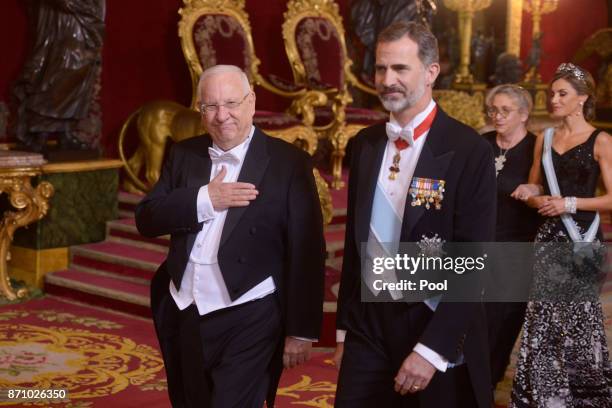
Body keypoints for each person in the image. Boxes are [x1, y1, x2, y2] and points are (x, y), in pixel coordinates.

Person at [135, 65, 326, 408]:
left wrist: (301, 330)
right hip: (186, 308)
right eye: (210, 107)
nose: (222, 116)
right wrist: (205, 199)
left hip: (249, 311)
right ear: (199, 109)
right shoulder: (184, 154)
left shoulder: (289, 163)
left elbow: (308, 251)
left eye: (231, 103)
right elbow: (147, 219)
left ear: (251, 101)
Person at [334, 21, 496, 407]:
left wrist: (431, 349)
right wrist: (344, 331)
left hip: (430, 321)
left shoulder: (469, 150)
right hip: (367, 325)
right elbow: (355, 247)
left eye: (400, 69)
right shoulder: (365, 144)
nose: (387, 80)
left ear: (431, 72)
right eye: (380, 68)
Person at [510, 62, 612, 407]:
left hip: (583, 239)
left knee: (579, 318)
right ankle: (543, 397)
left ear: (582, 99)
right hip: (548, 238)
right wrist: (530, 192)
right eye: (552, 93)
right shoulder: (545, 138)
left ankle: (584, 399)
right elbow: (536, 182)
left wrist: (570, 203)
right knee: (543, 317)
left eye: (562, 94)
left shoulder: (602, 141)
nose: (553, 99)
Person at [482, 84, 540, 390]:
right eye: (493, 110)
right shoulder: (482, 144)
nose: (497, 116)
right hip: (477, 244)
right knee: (473, 317)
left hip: (516, 247)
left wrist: (537, 190)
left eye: (505, 110)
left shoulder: (536, 149)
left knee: (503, 318)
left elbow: (553, 188)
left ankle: (489, 379)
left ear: (524, 114)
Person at [13, 0, 105, 152]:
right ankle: (40, 131)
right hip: (57, 21)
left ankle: (65, 131)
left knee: (79, 70)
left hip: (82, 23)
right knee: (55, 72)